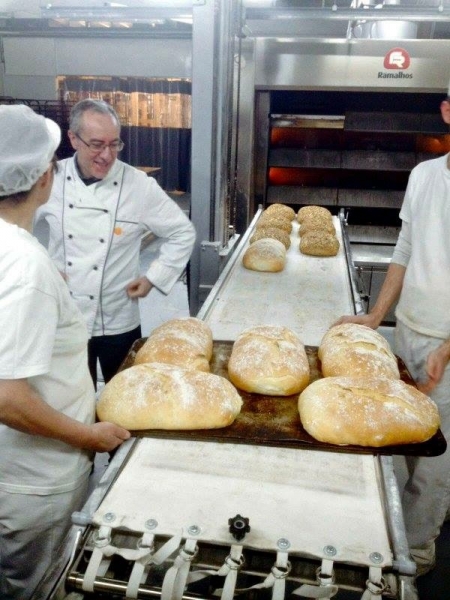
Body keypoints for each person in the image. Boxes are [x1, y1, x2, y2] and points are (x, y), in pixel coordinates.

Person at [0, 105, 131, 600]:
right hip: (35, 480)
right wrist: (89, 435)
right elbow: (7, 397)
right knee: (37, 589)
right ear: (40, 177)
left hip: (13, 469)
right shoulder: (23, 264)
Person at [335, 91, 450, 577]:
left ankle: (419, 551)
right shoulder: (424, 176)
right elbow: (404, 249)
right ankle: (388, 536)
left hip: (447, 342)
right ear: (447, 111)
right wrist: (376, 316)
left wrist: (447, 348)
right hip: (407, 330)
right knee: (398, 440)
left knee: (436, 455)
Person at [34, 99, 196, 388]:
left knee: (124, 396)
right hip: (64, 316)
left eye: (114, 144)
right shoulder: (50, 179)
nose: (106, 155)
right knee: (71, 401)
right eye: (96, 144)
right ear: (73, 139)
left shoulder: (138, 185)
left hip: (118, 317)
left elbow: (182, 232)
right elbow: (11, 230)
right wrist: (41, 267)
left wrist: (153, 277)